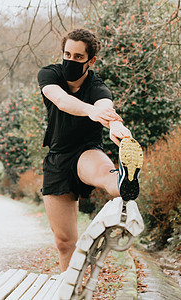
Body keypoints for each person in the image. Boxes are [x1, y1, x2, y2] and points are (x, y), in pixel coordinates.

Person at [37, 28, 143, 272]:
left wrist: (119, 129)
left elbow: (106, 109)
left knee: (107, 177)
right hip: (57, 158)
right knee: (65, 242)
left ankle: (127, 179)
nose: (70, 60)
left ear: (91, 60)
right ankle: (68, 291)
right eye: (67, 54)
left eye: (78, 57)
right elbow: (61, 100)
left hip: (86, 152)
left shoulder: (98, 87)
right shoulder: (50, 74)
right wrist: (90, 111)